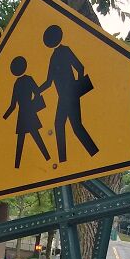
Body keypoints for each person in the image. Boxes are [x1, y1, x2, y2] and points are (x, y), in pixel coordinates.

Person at [39, 24, 98, 163]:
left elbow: (80, 67)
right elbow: (49, 81)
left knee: (73, 126)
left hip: (70, 95)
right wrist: (36, 92)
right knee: (62, 125)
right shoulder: (53, 57)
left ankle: (92, 153)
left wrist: (76, 87)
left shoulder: (65, 51)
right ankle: (64, 160)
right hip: (63, 97)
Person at [3, 56, 50, 170]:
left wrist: (5, 117)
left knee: (22, 139)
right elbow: (37, 92)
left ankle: (17, 165)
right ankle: (47, 157)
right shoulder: (29, 79)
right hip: (30, 112)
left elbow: (13, 105)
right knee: (35, 136)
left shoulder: (17, 83)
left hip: (22, 114)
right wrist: (33, 103)